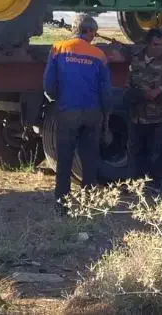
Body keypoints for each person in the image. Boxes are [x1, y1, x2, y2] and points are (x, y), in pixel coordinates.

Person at [44, 14, 112, 214]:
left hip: (68, 110)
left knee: (64, 159)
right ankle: (88, 203)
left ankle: (62, 205)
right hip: (92, 112)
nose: (94, 36)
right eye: (94, 32)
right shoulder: (99, 55)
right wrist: (106, 112)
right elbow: (105, 90)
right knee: (90, 158)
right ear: (88, 31)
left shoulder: (58, 49)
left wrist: (56, 99)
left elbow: (49, 84)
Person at [127, 28, 162, 192]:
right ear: (148, 44)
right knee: (137, 152)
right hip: (139, 115)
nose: (160, 48)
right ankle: (137, 185)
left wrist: (160, 91)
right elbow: (130, 83)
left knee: (159, 152)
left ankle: (158, 185)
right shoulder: (136, 60)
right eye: (156, 44)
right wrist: (133, 94)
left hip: (161, 116)